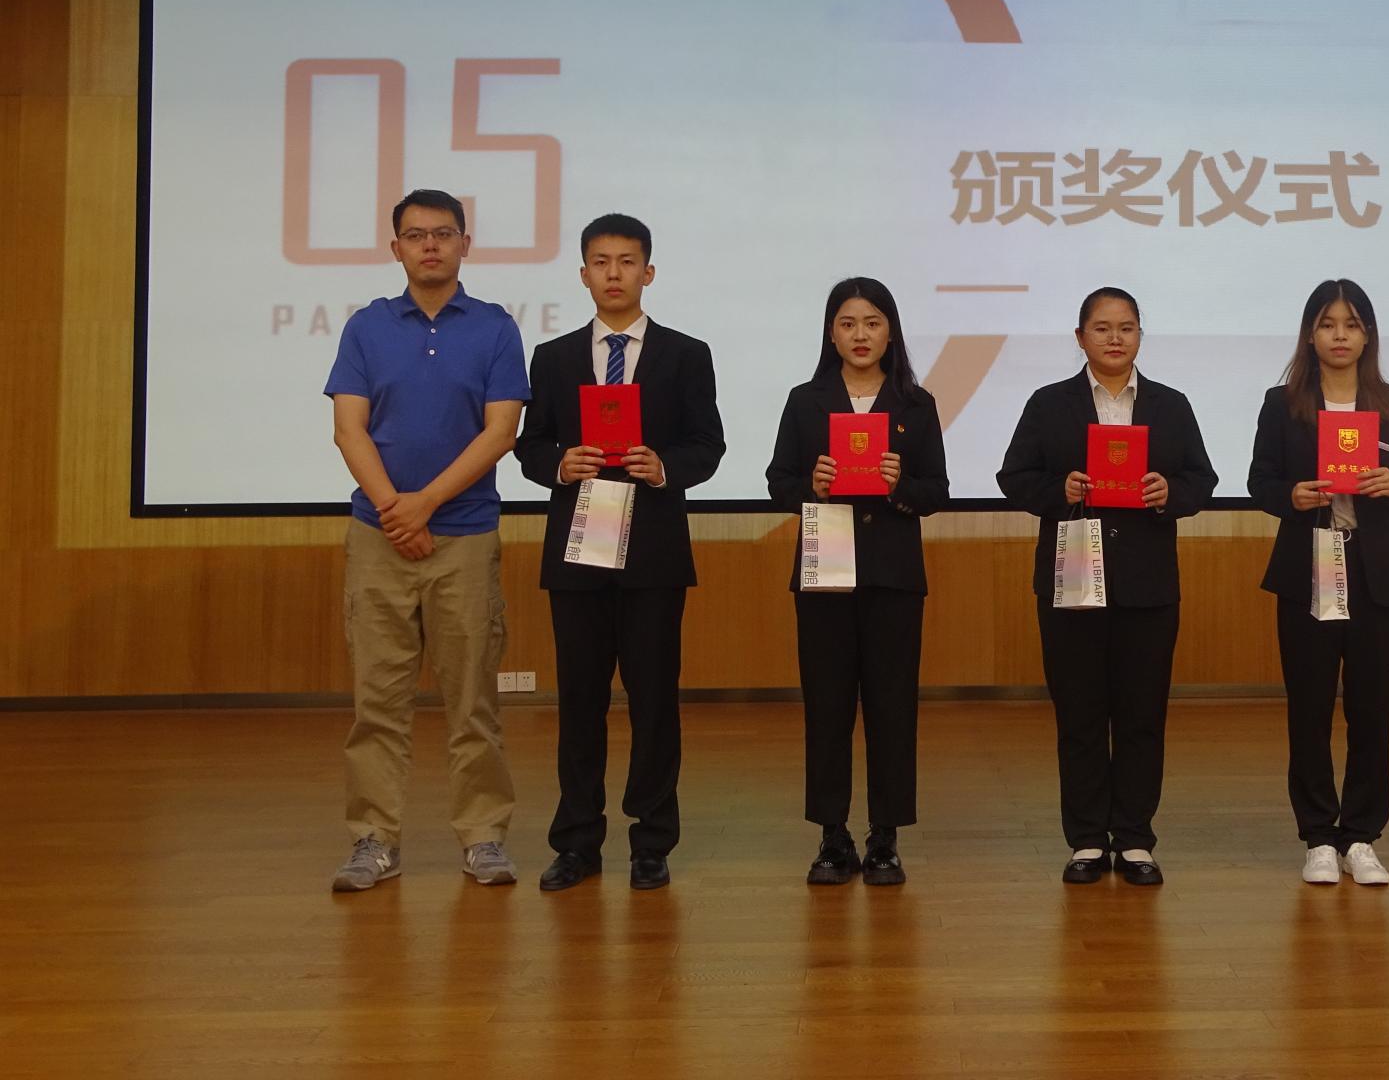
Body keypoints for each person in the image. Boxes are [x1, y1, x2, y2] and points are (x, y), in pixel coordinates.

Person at [323, 188, 529, 892]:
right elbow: (348, 428)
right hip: (378, 539)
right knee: (376, 703)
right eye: (416, 235)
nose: (430, 245)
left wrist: (427, 504)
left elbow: (501, 432)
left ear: (465, 243)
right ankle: (373, 840)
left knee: (472, 701)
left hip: (465, 538)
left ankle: (484, 837)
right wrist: (394, 510)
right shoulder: (366, 328)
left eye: (443, 233)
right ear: (397, 249)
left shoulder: (495, 328)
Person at [515, 214, 725, 893]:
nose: (614, 273)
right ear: (583, 274)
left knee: (654, 700)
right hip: (578, 548)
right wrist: (559, 463)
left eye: (627, 261)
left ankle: (652, 841)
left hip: (653, 550)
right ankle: (577, 841)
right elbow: (529, 444)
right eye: (601, 262)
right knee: (579, 701)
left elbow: (708, 444)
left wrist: (664, 467)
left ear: (648, 272)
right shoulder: (553, 357)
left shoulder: (686, 354)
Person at [997, 287, 1217, 886]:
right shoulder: (1050, 404)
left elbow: (1202, 478)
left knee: (1143, 715)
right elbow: (1013, 476)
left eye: (1126, 327)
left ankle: (1136, 838)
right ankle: (1088, 839)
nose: (1115, 338)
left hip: (1148, 585)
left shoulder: (1171, 405)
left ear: (1140, 335)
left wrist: (1170, 493)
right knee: (1080, 716)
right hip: (1072, 578)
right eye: (1101, 327)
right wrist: (1060, 491)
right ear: (1080, 337)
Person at [766, 278, 948, 886]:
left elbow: (936, 491)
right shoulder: (805, 400)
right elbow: (778, 482)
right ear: (831, 333)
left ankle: (885, 838)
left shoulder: (915, 404)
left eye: (872, 323)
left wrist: (900, 486)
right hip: (824, 570)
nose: (860, 335)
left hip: (893, 576)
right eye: (848, 323)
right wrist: (811, 486)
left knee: (892, 709)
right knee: (827, 707)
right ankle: (832, 836)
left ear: (890, 332)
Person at [1248, 279, 1389, 887]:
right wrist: (1291, 495)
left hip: (1376, 573)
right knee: (1310, 709)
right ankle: (1319, 836)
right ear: (1310, 334)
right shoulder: (1283, 402)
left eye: (1351, 324)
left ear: (1367, 334)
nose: (1340, 336)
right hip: (1308, 567)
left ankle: (1362, 836)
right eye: (1327, 324)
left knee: (1372, 711)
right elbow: (1260, 481)